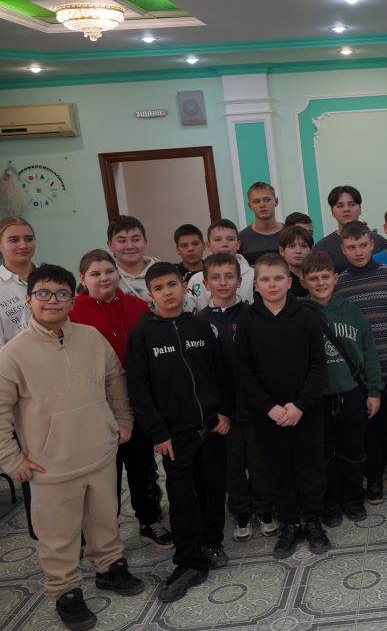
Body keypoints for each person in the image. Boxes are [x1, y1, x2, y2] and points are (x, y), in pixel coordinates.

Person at [0, 264, 143, 630]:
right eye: (44, 294)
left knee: (104, 519)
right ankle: (65, 590)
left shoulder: (91, 337)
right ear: (29, 299)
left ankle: (109, 567)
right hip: (50, 465)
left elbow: (115, 380)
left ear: (72, 298)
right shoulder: (12, 354)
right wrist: (11, 458)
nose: (53, 301)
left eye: (62, 294)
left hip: (99, 452)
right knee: (58, 534)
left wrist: (123, 419)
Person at [126, 262, 231, 602]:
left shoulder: (200, 326)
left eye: (172, 284)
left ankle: (212, 542)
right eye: (159, 288)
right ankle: (188, 559)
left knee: (213, 488)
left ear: (185, 287)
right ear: (150, 294)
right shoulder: (142, 334)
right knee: (183, 495)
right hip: (175, 434)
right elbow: (139, 389)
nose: (167, 292)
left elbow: (219, 372)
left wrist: (223, 411)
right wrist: (158, 432)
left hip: (211, 426)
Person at [70, 250, 172, 549]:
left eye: (109, 271)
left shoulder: (137, 305)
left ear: (118, 273)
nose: (104, 278)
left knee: (142, 466)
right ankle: (105, 531)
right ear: (82, 278)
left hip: (138, 399)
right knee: (105, 473)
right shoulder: (73, 313)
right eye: (95, 273)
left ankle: (149, 519)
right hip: (97, 404)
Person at [233, 253, 328, 558]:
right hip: (268, 414)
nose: (272, 284)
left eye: (278, 278)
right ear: (256, 285)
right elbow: (243, 371)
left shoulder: (307, 317)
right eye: (265, 279)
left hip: (306, 411)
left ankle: (313, 520)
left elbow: (318, 365)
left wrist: (300, 405)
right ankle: (289, 523)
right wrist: (268, 406)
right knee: (278, 469)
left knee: (310, 466)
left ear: (289, 282)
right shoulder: (246, 322)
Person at [196, 253, 278, 543]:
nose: (223, 282)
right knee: (232, 464)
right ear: (206, 283)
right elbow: (201, 373)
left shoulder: (253, 315)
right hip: (223, 412)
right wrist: (215, 411)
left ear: (240, 281)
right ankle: (241, 511)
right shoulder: (199, 322)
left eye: (229, 276)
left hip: (254, 406)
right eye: (216, 278)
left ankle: (264, 509)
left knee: (259, 460)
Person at [334, 221, 387, 502]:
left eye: (363, 245)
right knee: (369, 431)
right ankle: (375, 478)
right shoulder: (340, 284)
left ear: (372, 245)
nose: (358, 251)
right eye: (351, 247)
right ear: (343, 249)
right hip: (361, 374)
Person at [302, 251, 383, 527]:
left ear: (336, 278)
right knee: (323, 454)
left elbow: (369, 352)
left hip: (350, 392)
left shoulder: (351, 311)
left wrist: (374, 391)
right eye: (314, 278)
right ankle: (331, 503)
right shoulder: (300, 313)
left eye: (325, 276)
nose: (320, 283)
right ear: (303, 282)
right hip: (316, 397)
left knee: (353, 450)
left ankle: (353, 499)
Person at [314, 185, 387, 273]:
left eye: (351, 204)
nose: (346, 209)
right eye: (340, 206)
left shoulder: (379, 241)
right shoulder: (322, 247)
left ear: (360, 209)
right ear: (332, 212)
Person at [185, 219, 255, 311]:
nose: (224, 244)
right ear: (208, 245)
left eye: (230, 239)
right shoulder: (196, 280)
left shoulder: (254, 276)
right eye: (218, 239)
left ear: (238, 244)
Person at [107, 215, 168, 310]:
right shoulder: (105, 278)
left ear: (145, 242)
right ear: (110, 245)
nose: (130, 246)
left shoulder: (165, 271)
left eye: (136, 240)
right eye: (122, 241)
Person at [0, 216, 35, 346]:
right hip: (15, 358)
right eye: (14, 240)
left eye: (29, 239)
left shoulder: (52, 276)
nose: (23, 245)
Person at [238, 182, 284, 265]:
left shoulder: (291, 234)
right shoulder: (241, 240)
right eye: (256, 201)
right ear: (250, 206)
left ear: (276, 201)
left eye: (267, 200)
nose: (262, 205)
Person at [277, 224, 313, 298]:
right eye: (292, 246)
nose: (298, 251)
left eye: (303, 246)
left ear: (311, 250)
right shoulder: (277, 282)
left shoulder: (318, 278)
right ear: (281, 251)